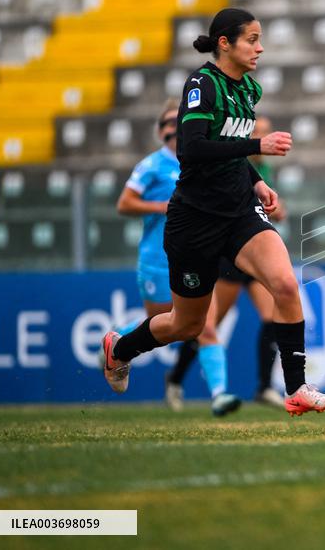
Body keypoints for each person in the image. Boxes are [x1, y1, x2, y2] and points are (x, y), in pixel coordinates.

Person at [100, 7, 325, 417]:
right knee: (186, 325)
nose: (260, 47)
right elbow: (192, 148)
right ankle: (120, 347)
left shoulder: (249, 89)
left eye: (260, 38)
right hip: (194, 219)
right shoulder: (202, 84)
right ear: (225, 43)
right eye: (252, 39)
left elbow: (228, 147)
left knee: (285, 283)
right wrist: (257, 146)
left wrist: (257, 181)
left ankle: (296, 387)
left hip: (239, 211)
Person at [115, 102, 242, 417]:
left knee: (205, 326)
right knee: (170, 324)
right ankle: (116, 342)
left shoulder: (201, 163)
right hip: (158, 259)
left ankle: (220, 395)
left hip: (199, 255)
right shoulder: (152, 166)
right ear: (161, 132)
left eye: (178, 121)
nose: (174, 127)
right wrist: (160, 207)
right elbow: (125, 203)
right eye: (168, 123)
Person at [165, 117, 288, 409]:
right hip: (232, 254)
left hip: (256, 252)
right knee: (205, 324)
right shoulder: (233, 161)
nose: (262, 136)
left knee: (272, 317)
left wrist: (277, 210)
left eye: (265, 131)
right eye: (257, 131)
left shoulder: (264, 168)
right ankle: (176, 378)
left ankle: (264, 387)